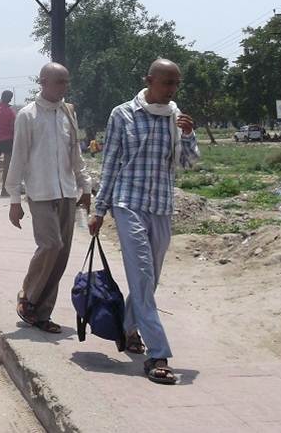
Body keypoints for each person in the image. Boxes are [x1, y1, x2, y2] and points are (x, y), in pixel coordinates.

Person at [89, 59, 200, 385]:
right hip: (128, 204)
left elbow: (187, 163)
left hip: (161, 206)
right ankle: (157, 353)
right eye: (167, 83)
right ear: (149, 81)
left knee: (148, 280)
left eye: (176, 84)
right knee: (141, 273)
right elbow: (110, 164)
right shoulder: (122, 114)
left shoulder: (174, 118)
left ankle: (127, 328)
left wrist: (189, 135)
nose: (172, 90)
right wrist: (100, 208)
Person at [6, 63, 91, 333]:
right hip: (40, 193)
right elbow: (18, 157)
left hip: (66, 191)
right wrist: (15, 199)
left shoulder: (68, 113)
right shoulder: (27, 116)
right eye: (59, 82)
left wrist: (85, 187)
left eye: (66, 82)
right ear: (43, 82)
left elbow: (74, 153)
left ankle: (41, 313)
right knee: (51, 246)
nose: (64, 87)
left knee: (62, 255)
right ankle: (28, 297)